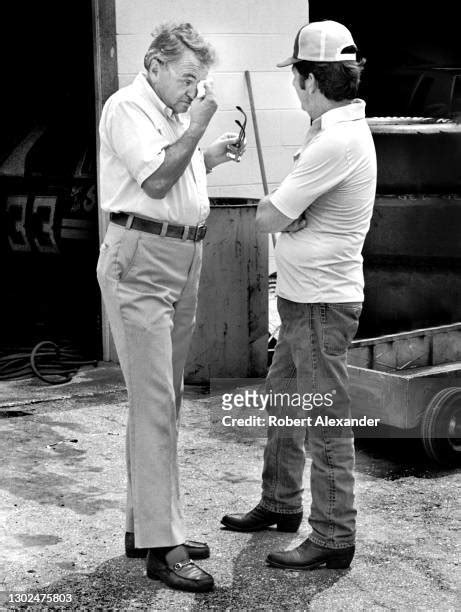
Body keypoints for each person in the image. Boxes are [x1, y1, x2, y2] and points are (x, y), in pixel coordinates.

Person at [221, 20, 377, 571]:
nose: (293, 88)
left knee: (322, 418)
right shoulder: (331, 132)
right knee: (284, 400)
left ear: (311, 80)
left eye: (296, 78)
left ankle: (334, 535)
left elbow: (266, 215)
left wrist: (287, 214)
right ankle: (281, 503)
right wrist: (293, 216)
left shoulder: (333, 141)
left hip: (319, 302)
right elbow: (284, 215)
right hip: (303, 298)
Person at [97, 22, 245, 592]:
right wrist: (201, 123)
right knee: (156, 402)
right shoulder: (127, 107)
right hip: (141, 260)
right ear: (154, 64)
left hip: (181, 259)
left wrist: (207, 154)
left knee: (164, 400)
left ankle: (145, 527)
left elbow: (176, 171)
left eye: (200, 82)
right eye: (187, 78)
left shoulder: (171, 109)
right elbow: (156, 181)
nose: (194, 90)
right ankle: (164, 545)